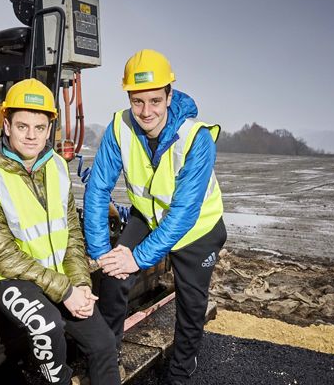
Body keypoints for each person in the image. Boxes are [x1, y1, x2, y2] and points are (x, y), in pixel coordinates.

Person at [0, 78, 120, 385]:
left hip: (54, 275)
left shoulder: (56, 165)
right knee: (48, 326)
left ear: (49, 129)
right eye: (22, 126)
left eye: (39, 127)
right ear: (6, 126)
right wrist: (65, 290)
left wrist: (80, 283)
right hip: (4, 276)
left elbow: (71, 231)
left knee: (104, 344)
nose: (31, 136)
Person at [83, 49, 227, 384]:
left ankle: (180, 372)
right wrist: (103, 251)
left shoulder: (197, 138)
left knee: (191, 305)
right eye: (137, 102)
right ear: (129, 98)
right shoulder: (120, 126)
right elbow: (98, 189)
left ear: (169, 96)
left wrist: (137, 258)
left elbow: (183, 215)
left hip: (197, 231)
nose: (146, 112)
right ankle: (108, 359)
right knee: (114, 277)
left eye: (154, 101)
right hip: (148, 218)